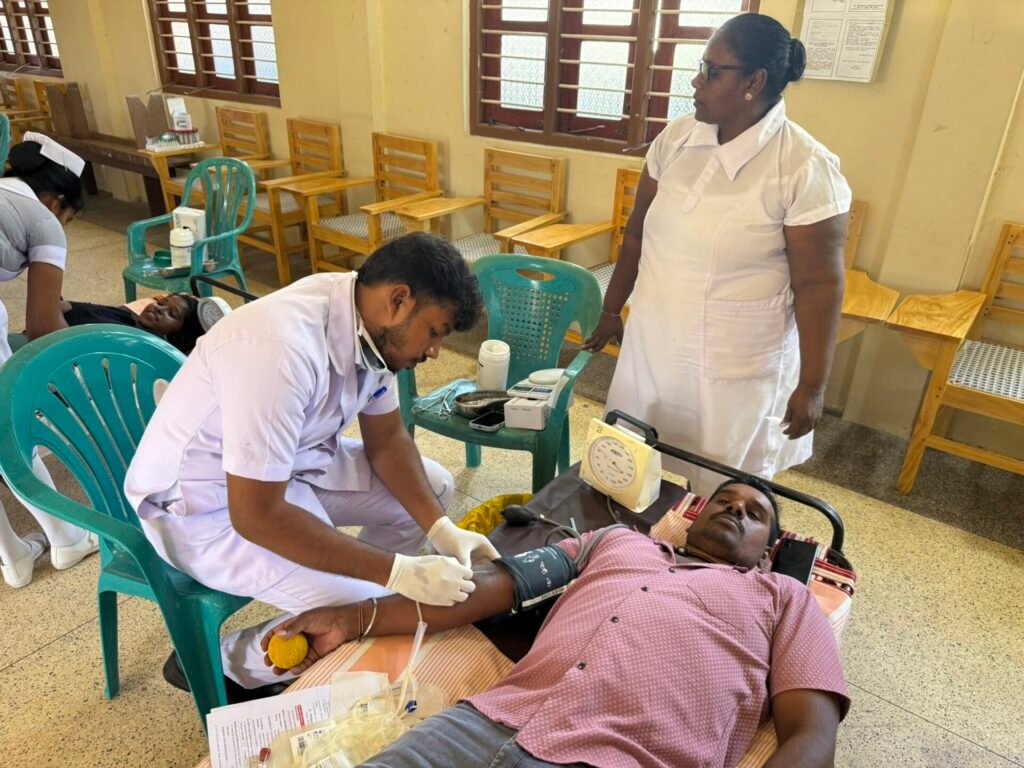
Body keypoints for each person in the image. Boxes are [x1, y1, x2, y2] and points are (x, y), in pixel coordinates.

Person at [123, 232, 500, 691]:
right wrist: (395, 571)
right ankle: (217, 661)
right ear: (399, 300)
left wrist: (441, 530)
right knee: (370, 611)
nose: (434, 351)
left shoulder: (367, 319)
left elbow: (387, 441)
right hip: (205, 507)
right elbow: (257, 516)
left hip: (289, 466)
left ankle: (354, 587)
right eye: (435, 332)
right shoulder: (279, 350)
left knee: (434, 487)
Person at [262, 478, 849, 768]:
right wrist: (354, 617)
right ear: (694, 517)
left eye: (754, 514)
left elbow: (811, 734)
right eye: (723, 500)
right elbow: (487, 588)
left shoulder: (782, 599)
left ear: (767, 552)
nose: (735, 508)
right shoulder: (615, 542)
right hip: (482, 726)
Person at [584, 14, 851, 495]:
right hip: (655, 341)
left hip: (735, 363)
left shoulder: (803, 166)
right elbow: (638, 232)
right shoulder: (677, 138)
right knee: (630, 466)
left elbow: (819, 286)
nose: (696, 80)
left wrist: (812, 385)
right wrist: (611, 307)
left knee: (721, 488)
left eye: (711, 70)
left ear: (754, 82)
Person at [0, 133, 99, 588]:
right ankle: (67, 538)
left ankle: (13, 557)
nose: (65, 226)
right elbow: (42, 327)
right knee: (8, 430)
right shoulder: (44, 220)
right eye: (69, 219)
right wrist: (81, 373)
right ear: (57, 201)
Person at [60, 292, 205, 354]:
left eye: (172, 314)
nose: (159, 309)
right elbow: (70, 306)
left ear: (179, 336)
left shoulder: (138, 348)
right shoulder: (124, 315)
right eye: (161, 303)